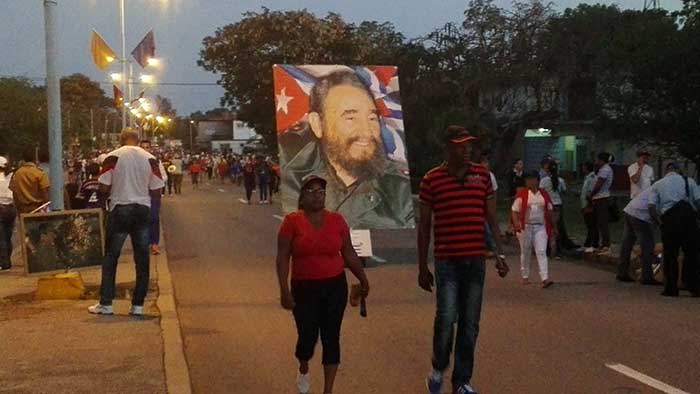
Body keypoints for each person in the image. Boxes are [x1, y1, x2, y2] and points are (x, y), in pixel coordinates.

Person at [418, 126, 509, 394]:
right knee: (446, 319)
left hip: (475, 260)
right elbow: (425, 227)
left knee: (470, 323)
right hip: (447, 261)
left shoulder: (482, 176)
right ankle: (438, 367)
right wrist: (422, 267)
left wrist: (500, 254)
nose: (466, 149)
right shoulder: (432, 179)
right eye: (460, 145)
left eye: (468, 144)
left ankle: (461, 382)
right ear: (448, 148)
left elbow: (491, 218)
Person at [281, 70, 413, 229]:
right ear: (317, 124)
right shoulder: (293, 180)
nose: (366, 131)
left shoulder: (399, 188)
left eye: (372, 118)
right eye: (351, 118)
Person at [276, 175, 369, 394]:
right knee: (307, 337)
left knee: (331, 336)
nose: (317, 196)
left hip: (334, 286)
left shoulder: (337, 220)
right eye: (312, 191)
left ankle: (328, 390)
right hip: (304, 288)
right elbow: (282, 257)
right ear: (302, 196)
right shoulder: (291, 221)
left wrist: (363, 279)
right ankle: (304, 365)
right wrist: (284, 290)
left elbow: (348, 253)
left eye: (321, 192)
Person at [88, 129, 165, 316]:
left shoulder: (112, 157)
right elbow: (157, 189)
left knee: (111, 257)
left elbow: (104, 186)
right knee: (142, 259)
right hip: (142, 209)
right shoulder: (150, 158)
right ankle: (137, 306)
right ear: (138, 141)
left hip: (120, 208)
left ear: (121, 140)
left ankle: (106, 304)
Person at [648, 162, 700, 297]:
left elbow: (651, 208)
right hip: (688, 219)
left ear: (666, 171)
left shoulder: (657, 184)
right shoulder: (689, 181)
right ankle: (693, 286)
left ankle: (671, 288)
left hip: (669, 220)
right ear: (679, 170)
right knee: (691, 253)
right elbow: (698, 201)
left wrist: (660, 223)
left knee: (670, 254)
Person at [512, 171, 556, 288]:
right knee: (525, 251)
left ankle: (545, 278)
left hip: (540, 227)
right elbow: (514, 210)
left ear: (537, 180)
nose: (529, 182)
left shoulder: (544, 194)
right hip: (525, 227)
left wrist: (553, 227)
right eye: (527, 180)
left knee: (541, 251)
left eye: (531, 179)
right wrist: (516, 223)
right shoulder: (523, 194)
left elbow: (550, 211)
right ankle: (525, 275)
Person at [616, 188, 662, 285]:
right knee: (648, 244)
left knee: (627, 243)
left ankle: (622, 271)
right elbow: (651, 207)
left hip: (630, 210)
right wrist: (658, 223)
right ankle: (647, 276)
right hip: (641, 215)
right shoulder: (664, 190)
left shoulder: (658, 185)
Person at [140, 140, 166, 255]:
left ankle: (154, 244)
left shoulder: (156, 162)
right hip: (140, 195)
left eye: (147, 147)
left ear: (150, 149)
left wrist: (155, 180)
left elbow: (164, 177)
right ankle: (145, 243)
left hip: (154, 194)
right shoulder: (137, 162)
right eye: (143, 147)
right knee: (142, 220)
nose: (145, 149)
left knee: (154, 218)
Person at [588, 152, 615, 255]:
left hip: (601, 198)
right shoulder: (605, 169)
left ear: (601, 160)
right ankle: (603, 244)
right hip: (600, 197)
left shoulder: (605, 170)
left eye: (597, 160)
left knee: (603, 222)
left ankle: (606, 245)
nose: (596, 162)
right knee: (600, 222)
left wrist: (591, 194)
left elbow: (599, 184)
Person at [9, 147, 50, 214]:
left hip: (23, 211)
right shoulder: (39, 173)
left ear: (23, 159)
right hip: (38, 210)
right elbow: (45, 194)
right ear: (34, 158)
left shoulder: (17, 174)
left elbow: (15, 194)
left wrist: (19, 210)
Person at [0, 156, 16, 271]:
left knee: (1, 238)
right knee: (8, 236)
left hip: (1, 208)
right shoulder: (11, 177)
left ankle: (4, 263)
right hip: (11, 208)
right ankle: (7, 260)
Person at [580, 162, 599, 252]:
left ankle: (592, 243)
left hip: (589, 204)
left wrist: (589, 205)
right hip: (585, 204)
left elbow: (590, 192)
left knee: (591, 225)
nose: (582, 169)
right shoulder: (587, 177)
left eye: (584, 167)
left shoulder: (592, 178)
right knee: (590, 225)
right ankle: (590, 242)